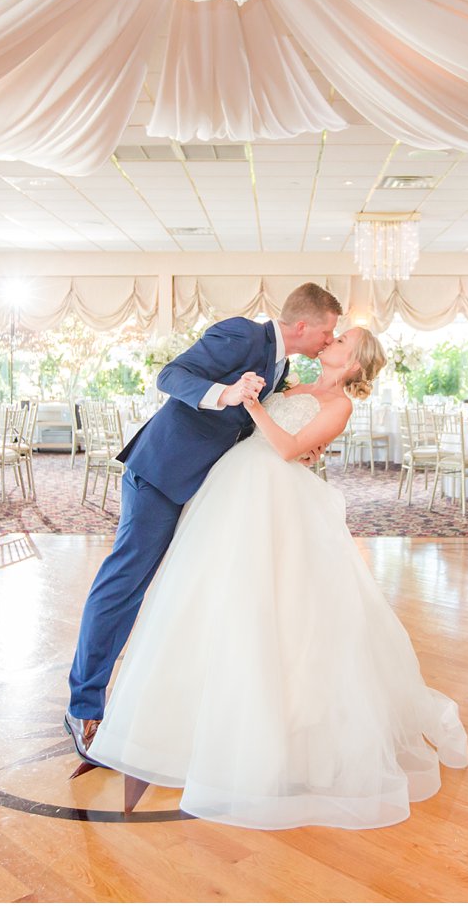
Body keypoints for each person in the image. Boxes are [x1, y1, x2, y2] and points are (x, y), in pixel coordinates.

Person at [85, 328, 468, 830]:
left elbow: (287, 449)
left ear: (353, 363)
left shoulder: (338, 404)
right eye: (331, 335)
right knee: (210, 598)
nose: (330, 341)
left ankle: (278, 732)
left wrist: (252, 406)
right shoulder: (289, 384)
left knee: (280, 602)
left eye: (341, 341)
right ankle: (169, 731)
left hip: (274, 496)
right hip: (232, 487)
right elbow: (261, 437)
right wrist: (254, 403)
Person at [64, 282, 343, 758]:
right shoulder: (242, 335)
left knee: (187, 592)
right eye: (328, 331)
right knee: (126, 583)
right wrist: (227, 391)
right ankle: (83, 705)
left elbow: (249, 428)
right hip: (161, 475)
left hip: (207, 486)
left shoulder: (284, 366)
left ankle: (167, 704)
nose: (328, 341)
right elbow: (171, 375)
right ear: (303, 325)